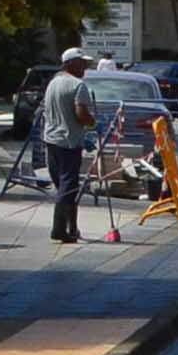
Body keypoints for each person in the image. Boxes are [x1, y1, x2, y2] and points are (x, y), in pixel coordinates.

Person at [39, 48, 100, 244]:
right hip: (69, 142)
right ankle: (58, 228)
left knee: (64, 187)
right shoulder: (78, 86)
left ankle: (72, 228)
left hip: (51, 141)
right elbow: (81, 114)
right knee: (68, 187)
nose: (85, 67)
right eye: (81, 63)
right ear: (70, 64)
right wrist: (94, 122)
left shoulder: (53, 83)